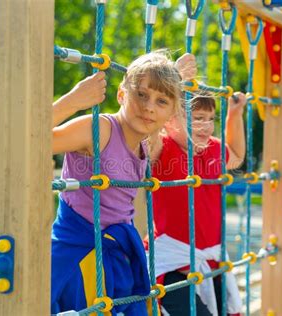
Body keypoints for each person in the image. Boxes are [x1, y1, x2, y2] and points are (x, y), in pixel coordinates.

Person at [50, 51, 195, 314]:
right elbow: (34, 136)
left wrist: (177, 76)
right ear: (121, 95)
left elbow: (187, 141)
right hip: (76, 250)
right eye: (141, 95)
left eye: (161, 101)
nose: (149, 107)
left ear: (172, 112)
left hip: (118, 252)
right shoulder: (100, 130)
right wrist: (73, 101)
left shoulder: (148, 143)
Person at [149, 84, 247, 316]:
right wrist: (170, 86)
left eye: (211, 118)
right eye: (197, 118)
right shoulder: (163, 148)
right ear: (169, 119)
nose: (206, 126)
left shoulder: (213, 148)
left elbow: (236, 156)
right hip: (172, 262)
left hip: (210, 260)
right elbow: (147, 134)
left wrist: (234, 115)